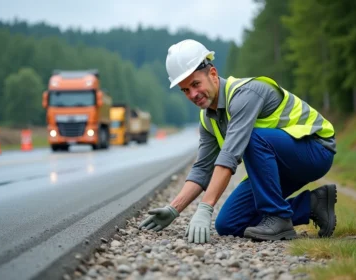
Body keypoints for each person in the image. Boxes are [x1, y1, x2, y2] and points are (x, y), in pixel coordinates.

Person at [138, 39, 337, 244]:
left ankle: (277, 217)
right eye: (185, 90)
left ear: (213, 74)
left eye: (195, 84)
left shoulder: (245, 94)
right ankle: (313, 204)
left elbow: (229, 156)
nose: (193, 94)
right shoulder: (207, 119)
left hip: (315, 150)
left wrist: (205, 207)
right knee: (228, 223)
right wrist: (174, 208)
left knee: (253, 137)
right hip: (279, 164)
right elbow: (202, 169)